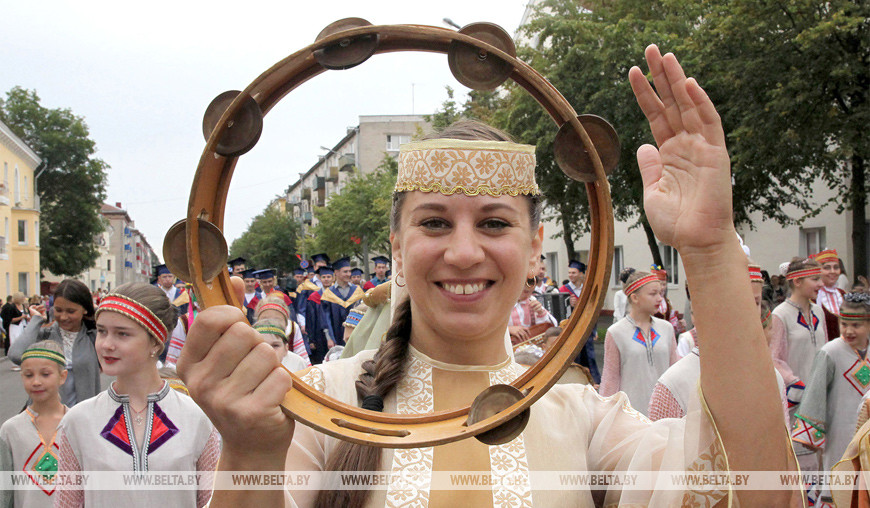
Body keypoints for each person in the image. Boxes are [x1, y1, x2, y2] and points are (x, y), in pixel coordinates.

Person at [176, 47, 799, 507]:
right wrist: (250, 451)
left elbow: (749, 491)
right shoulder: (318, 405)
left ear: (534, 249)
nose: (464, 252)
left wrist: (711, 250)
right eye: (435, 223)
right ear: (397, 248)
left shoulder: (582, 417)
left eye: (495, 224)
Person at [55, 282, 219, 507]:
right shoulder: (78, 420)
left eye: (122, 334)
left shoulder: (196, 417)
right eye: (102, 331)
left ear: (155, 342)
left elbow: (211, 502)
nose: (106, 344)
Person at [649, 264, 789, 424]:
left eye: (755, 302)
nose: (747, 310)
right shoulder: (675, 386)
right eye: (735, 300)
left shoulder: (772, 378)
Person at [791, 290, 870, 506]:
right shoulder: (830, 352)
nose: (849, 330)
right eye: (844, 324)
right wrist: (813, 437)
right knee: (839, 481)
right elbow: (815, 394)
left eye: (856, 325)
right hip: (838, 432)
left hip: (868, 435)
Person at [769, 256, 828, 475]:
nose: (820, 284)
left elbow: (826, 351)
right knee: (800, 468)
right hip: (796, 403)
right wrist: (797, 385)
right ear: (797, 281)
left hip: (820, 399)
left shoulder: (819, 311)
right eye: (815, 279)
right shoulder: (780, 315)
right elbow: (774, 359)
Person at [599, 270, 679, 415]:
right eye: (653, 294)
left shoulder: (666, 329)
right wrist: (604, 415)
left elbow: (676, 371)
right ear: (635, 297)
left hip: (665, 415)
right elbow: (610, 379)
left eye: (660, 293)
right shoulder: (616, 332)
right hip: (631, 415)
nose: (660, 298)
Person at [9, 279, 100, 407]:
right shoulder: (45, 335)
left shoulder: (94, 336)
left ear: (85, 309)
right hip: (44, 415)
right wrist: (36, 320)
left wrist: (99, 312)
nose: (63, 317)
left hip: (84, 415)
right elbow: (15, 355)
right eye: (58, 310)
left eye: (71, 311)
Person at [0, 341, 68, 507]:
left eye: (45, 374)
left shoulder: (77, 424)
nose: (36, 382)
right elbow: (5, 490)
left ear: (62, 376)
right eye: (29, 375)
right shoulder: (11, 429)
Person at [254, 295, 310, 367]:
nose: (271, 323)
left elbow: (301, 355)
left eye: (277, 320)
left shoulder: (297, 362)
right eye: (265, 319)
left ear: (286, 324)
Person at [507, 276, 557, 345]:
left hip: (529, 345)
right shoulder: (501, 303)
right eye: (526, 292)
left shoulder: (531, 300)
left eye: (532, 292)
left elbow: (553, 324)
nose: (529, 295)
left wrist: (541, 312)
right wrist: (509, 329)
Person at [813, 248, 846, 344]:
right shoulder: (812, 297)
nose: (833, 271)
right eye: (827, 268)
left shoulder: (843, 294)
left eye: (836, 267)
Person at [1, 293, 27, 357]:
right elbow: (10, 320)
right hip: (15, 326)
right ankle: (14, 356)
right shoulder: (11, 307)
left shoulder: (22, 306)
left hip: (22, 325)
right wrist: (21, 317)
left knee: (22, 341)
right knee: (15, 341)